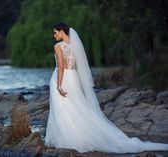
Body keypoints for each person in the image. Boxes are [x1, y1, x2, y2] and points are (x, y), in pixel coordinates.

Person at [44, 22, 168, 153]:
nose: (54, 35)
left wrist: (58, 85)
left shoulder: (58, 46)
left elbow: (61, 67)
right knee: (76, 108)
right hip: (73, 78)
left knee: (63, 108)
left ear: (62, 31)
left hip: (62, 79)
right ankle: (78, 137)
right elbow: (78, 66)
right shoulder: (75, 46)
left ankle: (66, 139)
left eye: (55, 32)